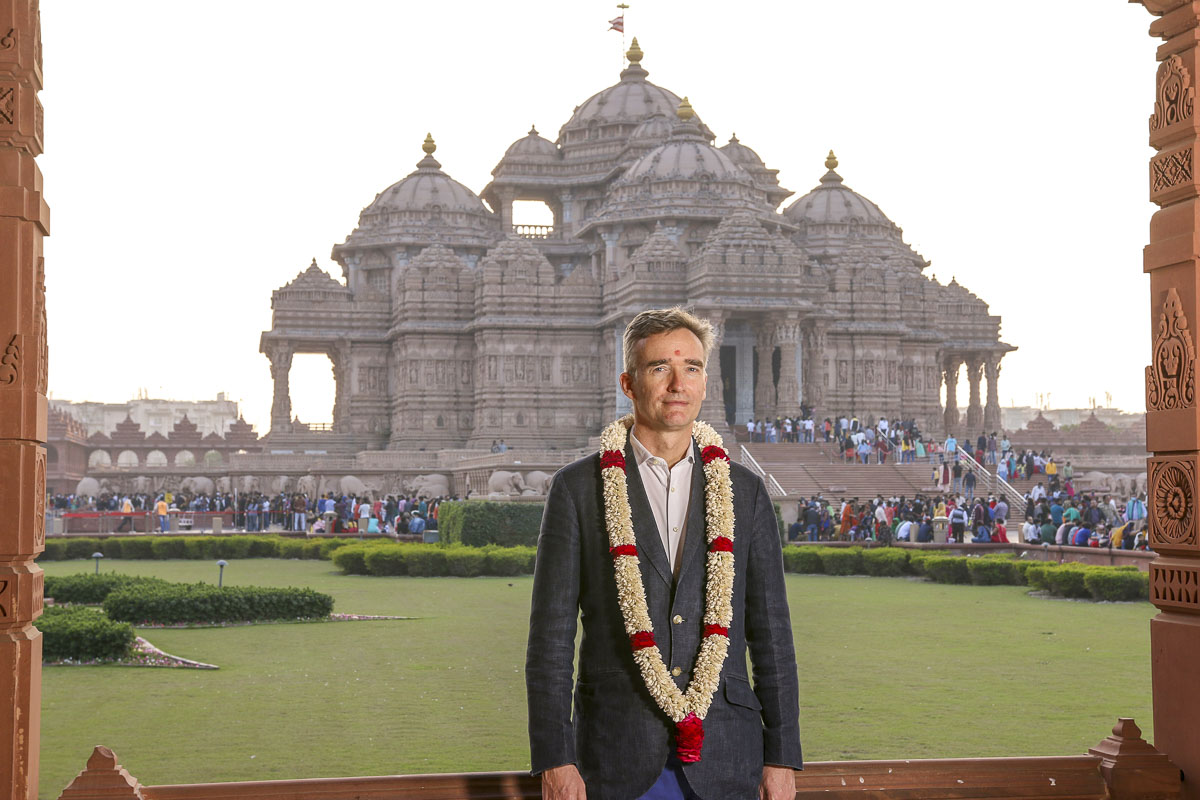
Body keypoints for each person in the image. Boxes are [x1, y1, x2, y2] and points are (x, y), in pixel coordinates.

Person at [527, 308, 801, 800]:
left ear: (704, 380)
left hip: (727, 755)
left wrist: (781, 756)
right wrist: (554, 757)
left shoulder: (746, 491)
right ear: (628, 383)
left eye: (692, 368)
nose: (678, 384)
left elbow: (772, 636)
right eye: (660, 369)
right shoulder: (579, 489)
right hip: (615, 753)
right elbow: (550, 641)